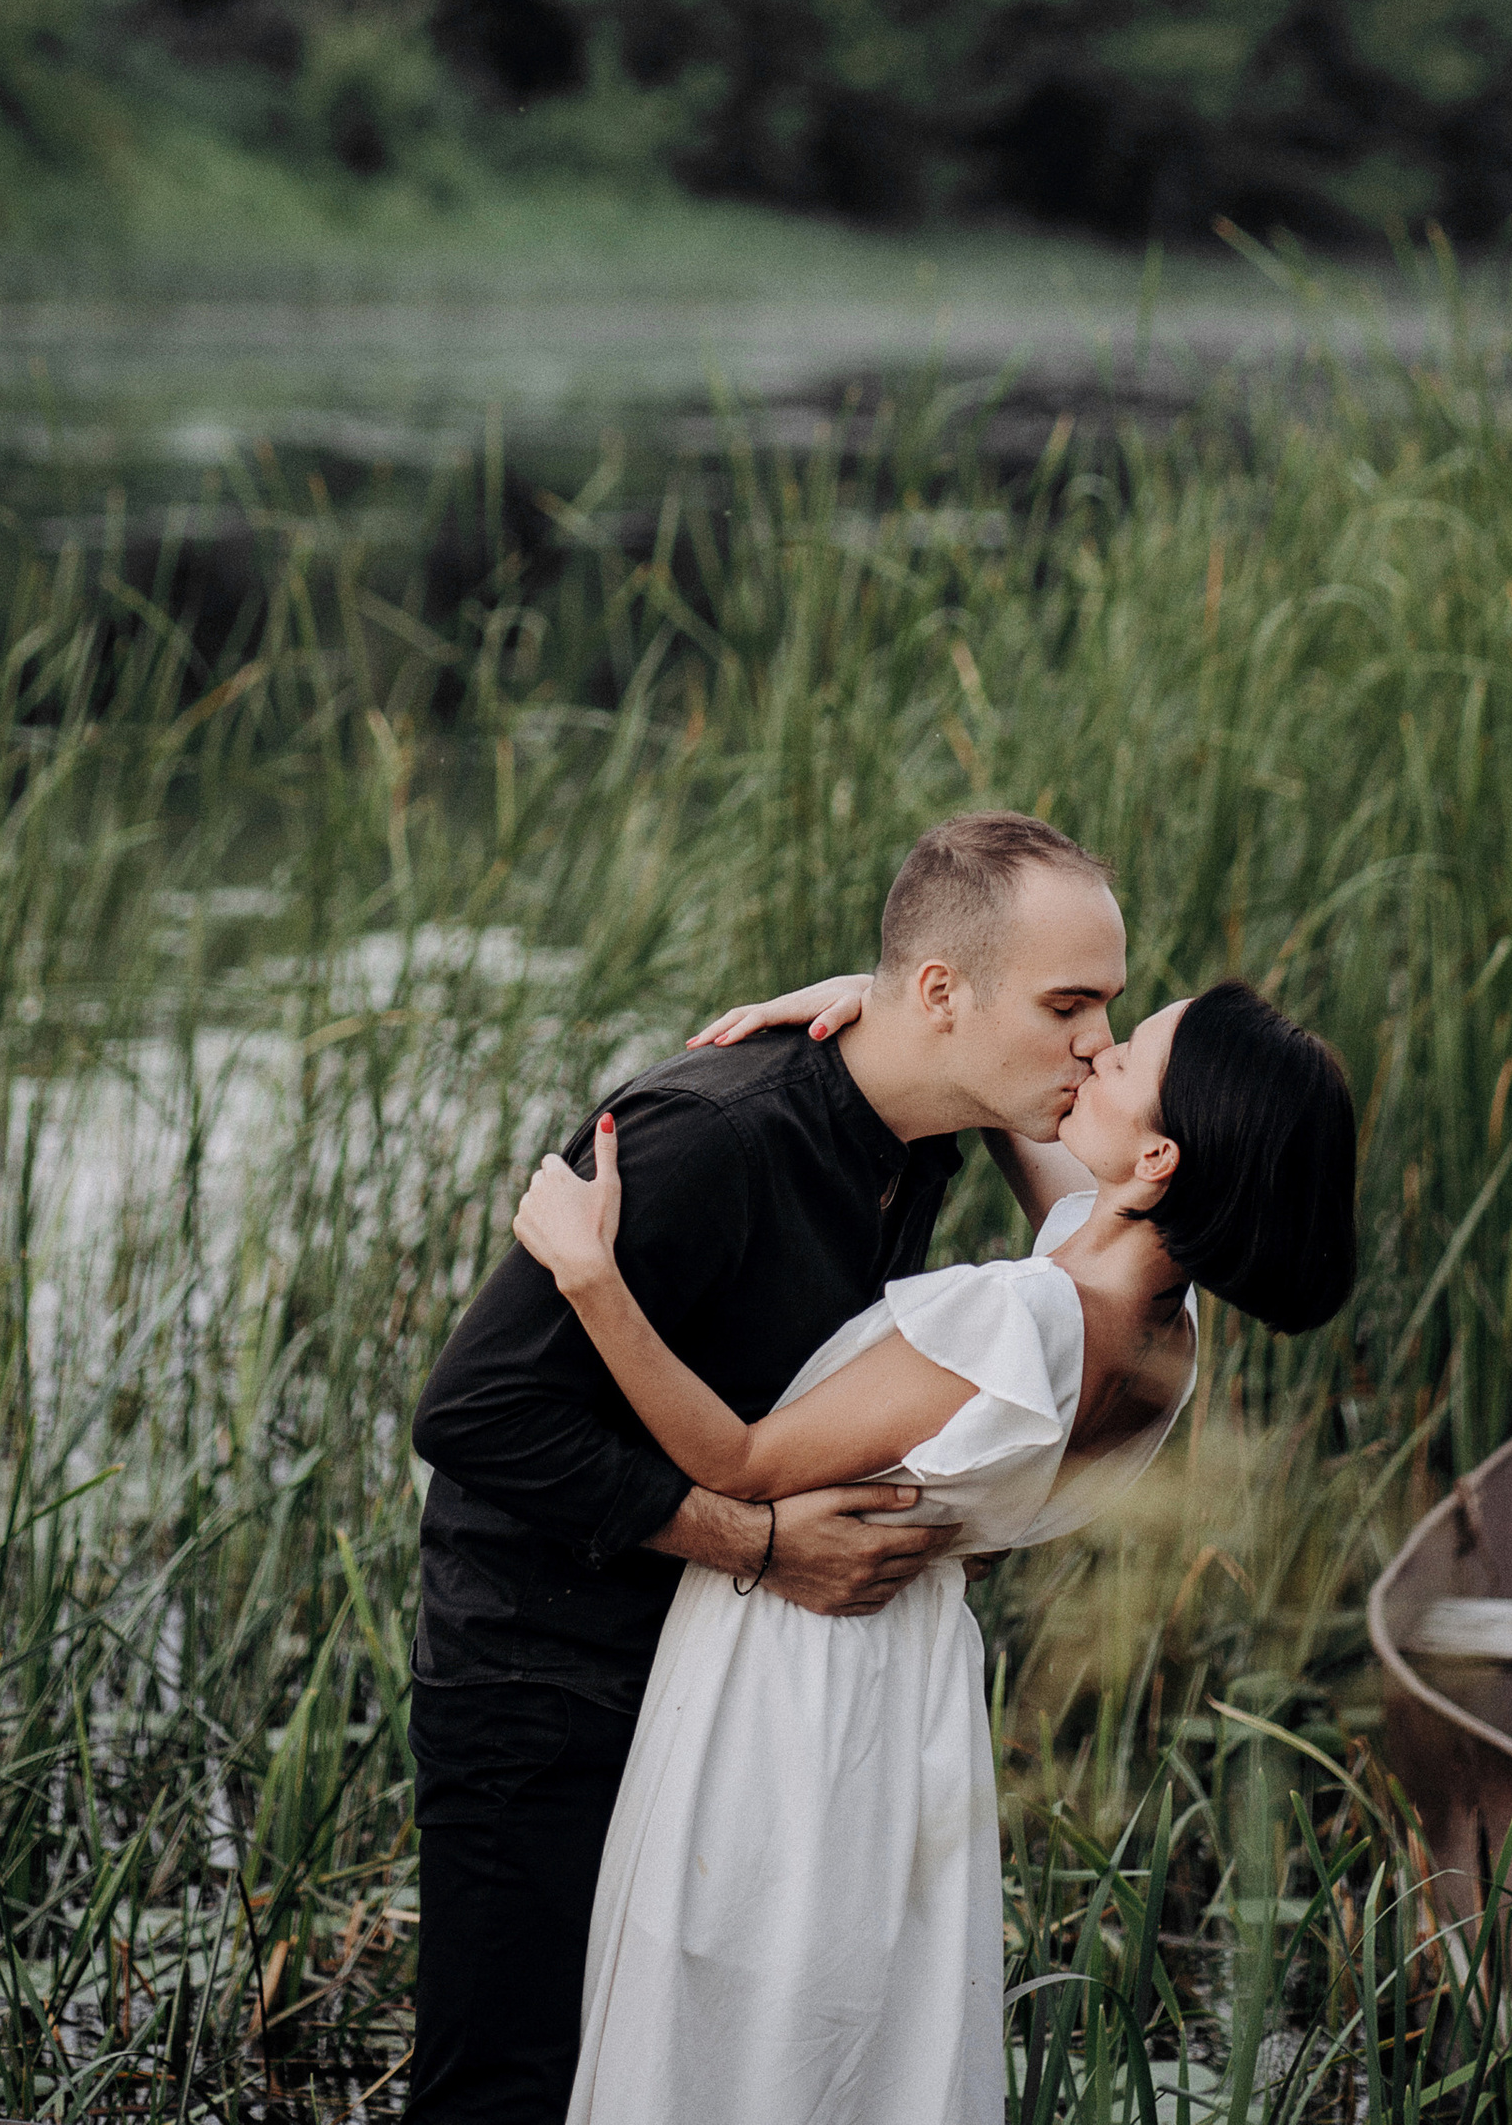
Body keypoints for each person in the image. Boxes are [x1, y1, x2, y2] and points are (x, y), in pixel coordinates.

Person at [515, 973, 1358, 2125]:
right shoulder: (1164, 1334)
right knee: (858, 2042)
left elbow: (744, 1464)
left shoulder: (1013, 1321)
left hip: (789, 1680)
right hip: (910, 1697)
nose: (1094, 1052)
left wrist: (589, 1277)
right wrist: (913, 1018)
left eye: (1125, 1058)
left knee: (727, 2038)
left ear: (1157, 1162)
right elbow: (1053, 1171)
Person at [404, 810, 1130, 2125]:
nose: (1099, 1044)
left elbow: (1116, 1204)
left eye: (1113, 1012)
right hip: (543, 1671)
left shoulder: (928, 1128)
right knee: (509, 2084)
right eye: (1071, 1005)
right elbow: (476, 1413)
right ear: (940, 994)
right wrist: (759, 1543)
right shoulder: (709, 1137)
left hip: (707, 1675)